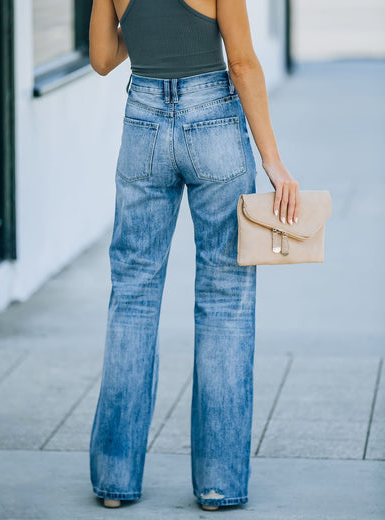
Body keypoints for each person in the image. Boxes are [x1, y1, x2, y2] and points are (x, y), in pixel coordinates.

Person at [88, 0, 300, 512]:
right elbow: (243, 61)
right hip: (215, 127)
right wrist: (274, 162)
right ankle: (219, 485)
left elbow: (102, 57)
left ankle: (115, 481)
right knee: (225, 302)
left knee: (133, 298)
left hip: (143, 124)